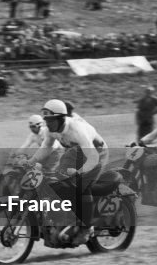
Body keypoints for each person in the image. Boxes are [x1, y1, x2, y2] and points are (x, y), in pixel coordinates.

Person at [31, 99, 109, 245]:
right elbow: (46, 147)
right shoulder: (51, 129)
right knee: (57, 183)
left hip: (96, 153)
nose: (47, 123)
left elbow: (92, 156)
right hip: (75, 153)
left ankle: (86, 229)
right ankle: (64, 221)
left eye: (51, 120)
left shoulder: (76, 130)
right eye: (46, 119)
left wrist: (81, 172)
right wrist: (31, 162)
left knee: (81, 185)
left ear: (61, 119)